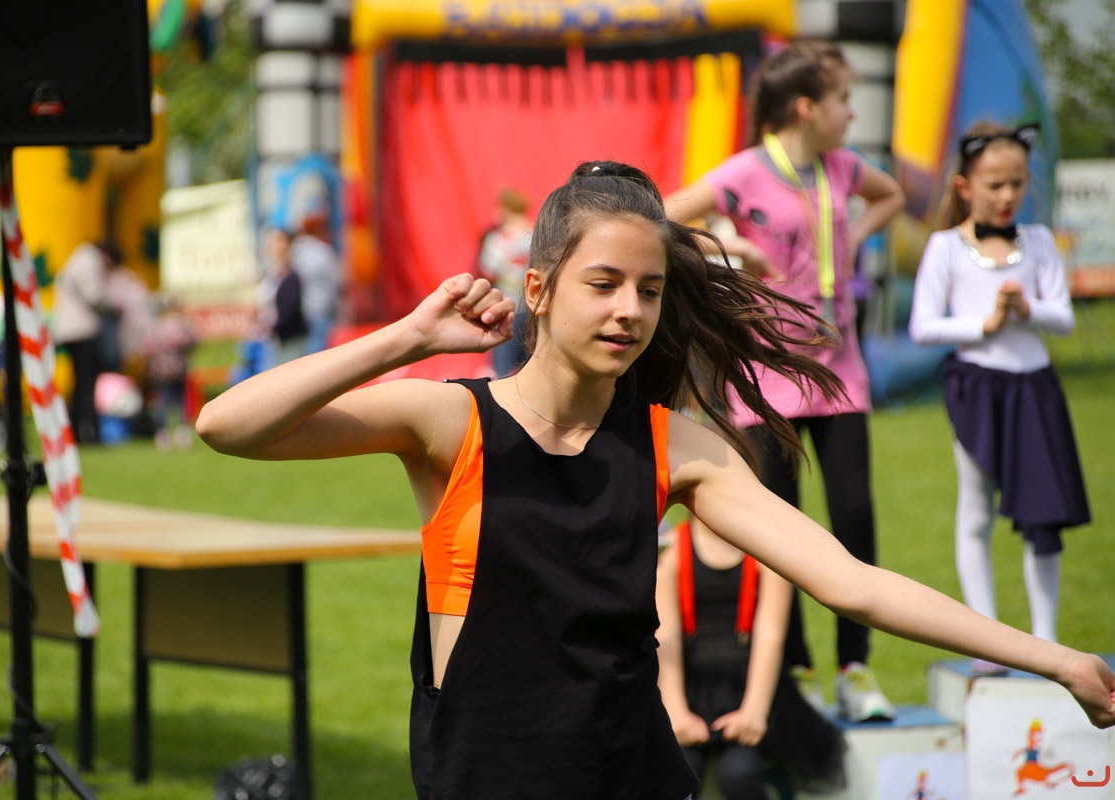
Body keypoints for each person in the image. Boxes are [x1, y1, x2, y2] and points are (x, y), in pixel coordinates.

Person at [196, 161, 1115, 800]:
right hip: (482, 779)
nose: (630, 310)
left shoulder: (677, 446)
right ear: (538, 289)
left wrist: (1060, 663)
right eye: (603, 283)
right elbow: (226, 426)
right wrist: (407, 339)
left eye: (649, 289)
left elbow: (853, 584)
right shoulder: (451, 422)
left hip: (635, 777)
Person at [663, 39, 906, 722]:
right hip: (764, 380)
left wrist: (853, 238)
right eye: (842, 100)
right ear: (806, 107)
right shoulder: (744, 172)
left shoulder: (844, 168)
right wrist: (731, 246)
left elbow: (890, 196)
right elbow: (663, 216)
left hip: (840, 373)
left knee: (854, 516)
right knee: (783, 529)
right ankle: (795, 671)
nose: (851, 113)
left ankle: (854, 668)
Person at [908, 121, 1090, 671]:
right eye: (994, 185)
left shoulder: (1038, 242)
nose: (1007, 195)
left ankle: (1046, 638)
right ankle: (986, 641)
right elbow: (923, 326)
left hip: (1035, 389)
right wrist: (982, 325)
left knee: (1043, 517)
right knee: (976, 510)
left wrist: (1028, 310)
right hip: (977, 389)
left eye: (1017, 183)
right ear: (965, 186)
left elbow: (1063, 317)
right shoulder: (945, 247)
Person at [656, 515, 846, 798]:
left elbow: (770, 635)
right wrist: (675, 711)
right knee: (681, 771)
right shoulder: (671, 548)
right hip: (690, 691)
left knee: (738, 774)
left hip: (752, 689)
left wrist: (754, 712)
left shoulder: (768, 552)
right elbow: (665, 635)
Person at [52, 240, 120, 444]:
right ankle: (89, 432)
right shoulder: (90, 260)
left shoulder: (78, 258)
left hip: (68, 330)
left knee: (79, 384)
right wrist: (114, 309)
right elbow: (95, 296)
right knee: (86, 385)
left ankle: (74, 430)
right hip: (81, 331)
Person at [476, 186, 534, 376]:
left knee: (502, 367)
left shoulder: (499, 239)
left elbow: (488, 269)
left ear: (506, 209)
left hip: (505, 307)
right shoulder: (536, 235)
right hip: (532, 309)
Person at [140, 293, 198, 452]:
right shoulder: (181, 324)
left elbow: (147, 348)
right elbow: (192, 341)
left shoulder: (154, 325)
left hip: (159, 370)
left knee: (161, 402)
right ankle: (182, 431)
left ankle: (162, 432)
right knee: (180, 401)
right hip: (178, 369)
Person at [290, 210, 343, 356]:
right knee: (318, 354)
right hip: (320, 310)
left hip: (300, 312)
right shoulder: (323, 252)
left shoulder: (294, 252)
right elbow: (335, 282)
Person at [262, 228, 308, 365]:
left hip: (290, 337)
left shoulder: (292, 273)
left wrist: (272, 327)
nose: (274, 245)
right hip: (276, 338)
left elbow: (290, 308)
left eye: (278, 240)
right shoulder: (273, 272)